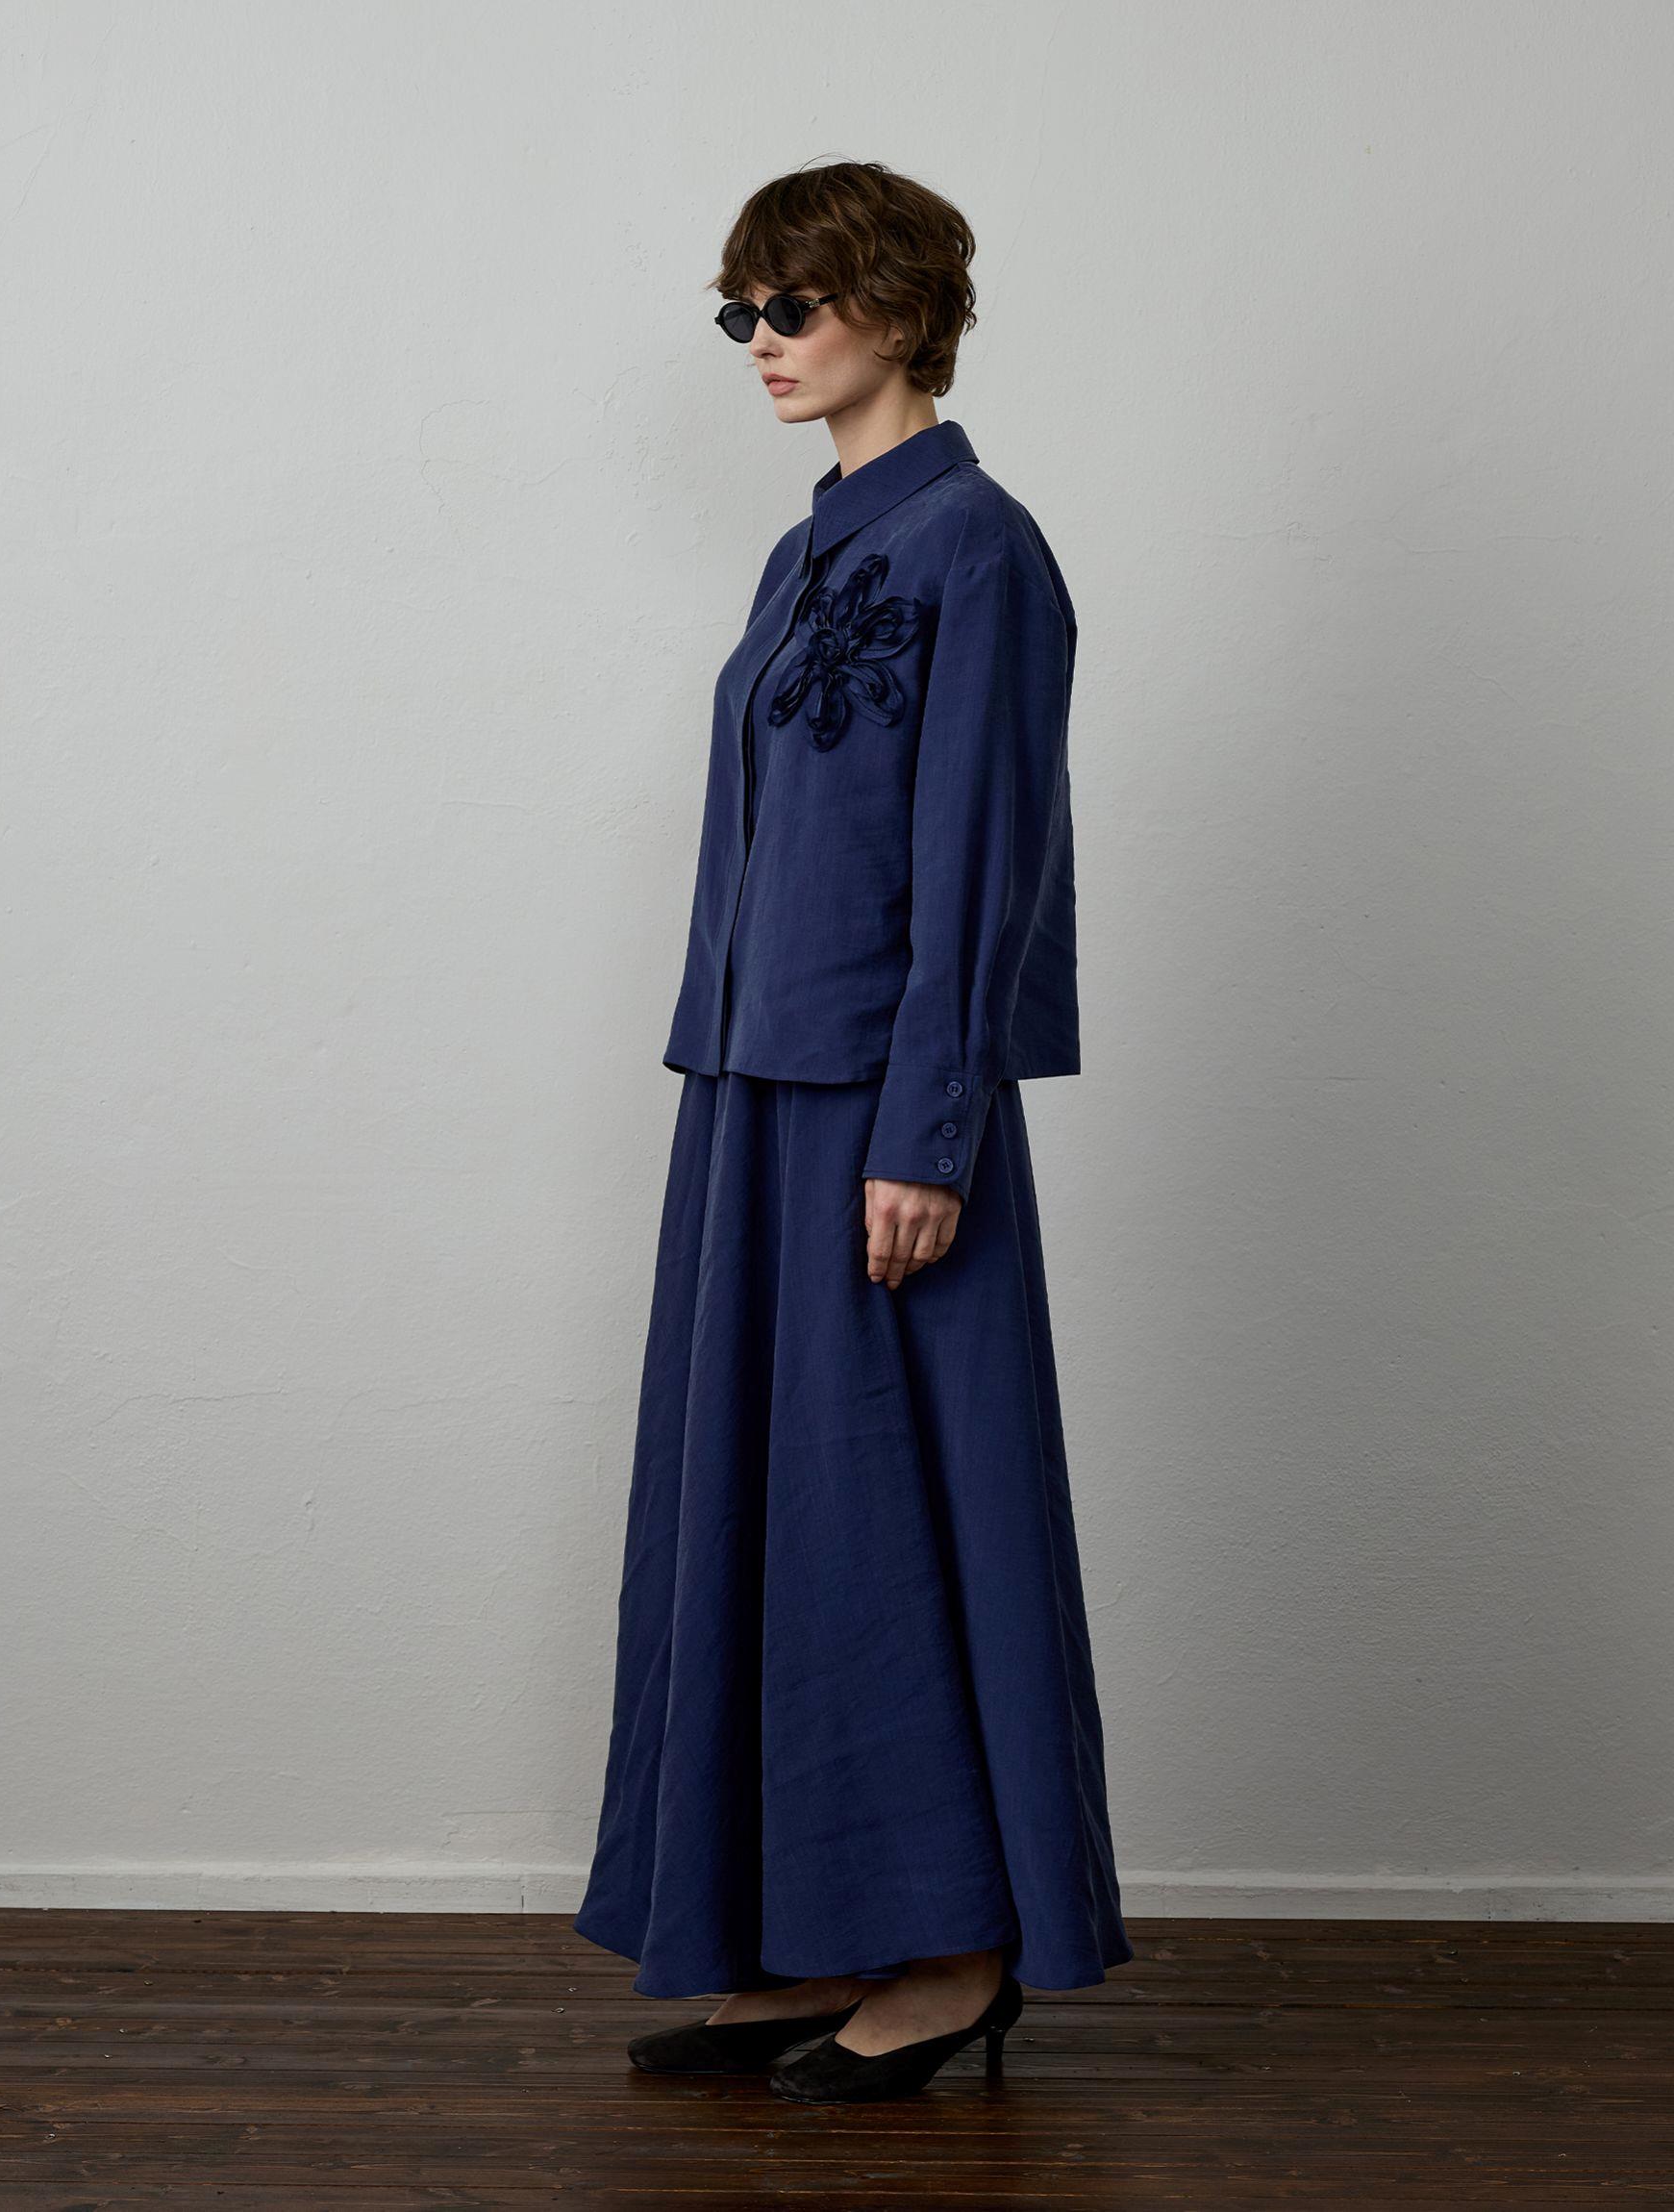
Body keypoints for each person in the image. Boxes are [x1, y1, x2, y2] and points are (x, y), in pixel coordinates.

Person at [572, 158, 1133, 2104]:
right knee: (775, 1516)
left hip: (882, 1117)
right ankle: (809, 1932)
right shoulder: (810, 549)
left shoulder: (980, 547)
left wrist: (929, 1131)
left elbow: (983, 866)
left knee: (896, 1518)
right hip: (751, 1099)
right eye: (740, 311)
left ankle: (959, 1949)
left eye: (790, 307)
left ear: (895, 308)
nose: (761, 342)